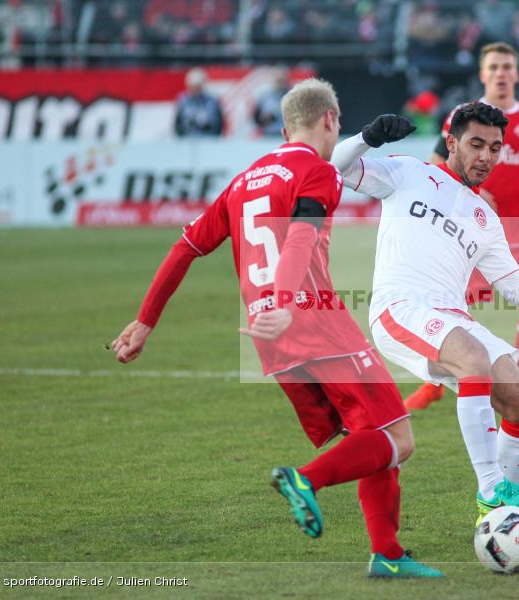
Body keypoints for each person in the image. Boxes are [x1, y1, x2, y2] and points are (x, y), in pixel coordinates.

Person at [112, 79, 441, 578]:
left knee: (366, 436)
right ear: (331, 119)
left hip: (269, 333)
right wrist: (287, 301)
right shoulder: (317, 173)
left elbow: (185, 248)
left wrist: (144, 320)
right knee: (398, 437)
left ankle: (387, 555)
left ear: (285, 127)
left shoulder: (244, 180)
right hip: (311, 319)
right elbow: (300, 241)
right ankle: (304, 481)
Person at [331, 103, 519, 524]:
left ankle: (501, 519)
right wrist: (367, 137)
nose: (486, 157)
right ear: (451, 142)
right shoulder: (409, 173)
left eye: (495, 148)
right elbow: (336, 166)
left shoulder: (486, 218)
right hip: (401, 308)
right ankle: (491, 489)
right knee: (474, 360)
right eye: (475, 144)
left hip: (453, 318)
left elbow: (517, 286)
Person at [406, 42, 519, 413]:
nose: (501, 73)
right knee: (448, 310)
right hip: (471, 233)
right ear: (482, 74)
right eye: (493, 67)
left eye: (507, 66)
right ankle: (433, 385)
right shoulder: (461, 116)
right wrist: (470, 193)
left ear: (517, 73)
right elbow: (436, 164)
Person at [174, 67, 224, 137]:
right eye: (194, 86)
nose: (196, 89)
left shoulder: (213, 102)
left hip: (209, 141)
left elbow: (219, 124)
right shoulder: (183, 101)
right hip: (188, 142)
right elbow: (178, 125)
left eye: (199, 86)